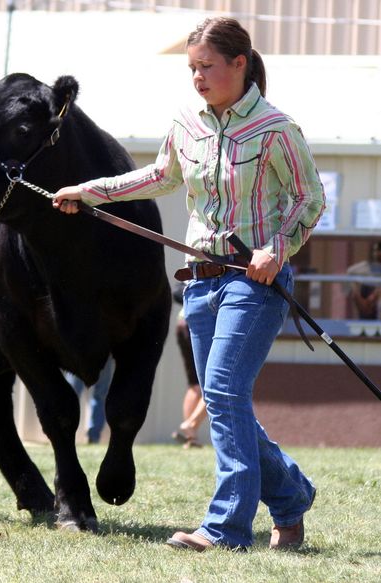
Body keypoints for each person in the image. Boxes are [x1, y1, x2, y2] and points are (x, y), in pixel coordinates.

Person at [53, 17, 324, 551]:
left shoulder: (276, 128)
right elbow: (157, 176)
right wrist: (88, 191)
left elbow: (308, 199)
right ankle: (290, 499)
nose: (197, 78)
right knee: (227, 401)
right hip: (200, 284)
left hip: (254, 281)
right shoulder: (187, 122)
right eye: (191, 69)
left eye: (207, 67)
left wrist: (278, 246)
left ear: (239, 64)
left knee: (222, 391)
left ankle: (225, 529)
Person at [171, 286, 207, 449]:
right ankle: (191, 424)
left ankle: (190, 436)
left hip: (183, 323)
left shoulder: (195, 266)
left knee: (194, 385)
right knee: (217, 382)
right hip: (199, 324)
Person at [63, 355, 114, 444]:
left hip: (100, 351)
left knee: (71, 393)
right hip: (80, 351)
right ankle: (63, 432)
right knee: (70, 393)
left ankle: (93, 437)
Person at [346, 241, 381, 320]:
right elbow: (350, 272)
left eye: (378, 250)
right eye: (375, 250)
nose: (376, 253)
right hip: (366, 302)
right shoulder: (364, 267)